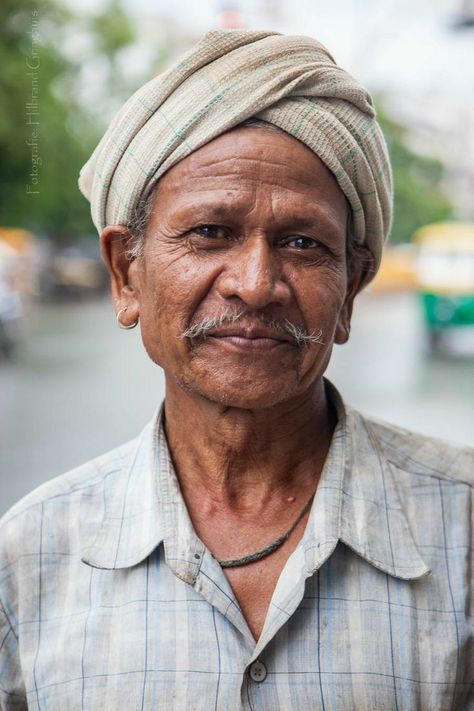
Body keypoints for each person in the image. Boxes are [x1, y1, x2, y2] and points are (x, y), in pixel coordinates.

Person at [0, 29, 472, 711]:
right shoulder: (28, 556)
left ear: (353, 287)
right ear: (124, 274)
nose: (255, 284)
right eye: (210, 233)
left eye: (303, 243)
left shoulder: (463, 530)